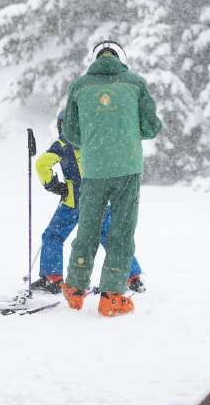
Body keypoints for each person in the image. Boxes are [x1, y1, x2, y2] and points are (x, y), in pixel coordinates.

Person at [60, 40, 162, 317]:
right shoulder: (136, 83)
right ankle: (112, 296)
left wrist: (96, 141)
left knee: (88, 228)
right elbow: (151, 127)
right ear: (121, 58)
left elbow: (70, 131)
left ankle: (75, 288)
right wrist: (126, 131)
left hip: (93, 169)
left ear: (95, 58)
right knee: (121, 231)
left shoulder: (79, 86)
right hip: (127, 167)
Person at [31, 111, 144, 294]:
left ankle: (53, 279)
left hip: (73, 204)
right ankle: (132, 277)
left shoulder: (62, 145)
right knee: (113, 239)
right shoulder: (96, 143)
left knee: (53, 236)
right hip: (100, 202)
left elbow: (42, 164)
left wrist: (53, 185)